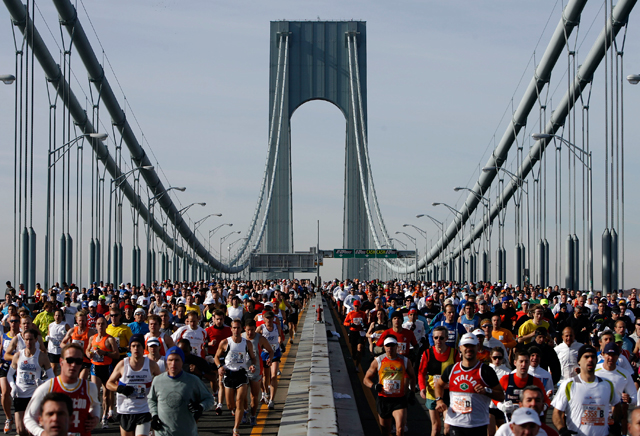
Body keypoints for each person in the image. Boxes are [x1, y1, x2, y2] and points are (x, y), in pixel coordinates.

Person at [434, 333, 504, 436]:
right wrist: (439, 400)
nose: (469, 349)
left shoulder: (486, 371)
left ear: (477, 347)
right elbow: (439, 385)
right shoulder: (451, 369)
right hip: (456, 423)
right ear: (460, 348)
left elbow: (501, 396)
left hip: (478, 424)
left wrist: (487, 391)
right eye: (466, 346)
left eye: (472, 346)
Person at [23, 343, 100, 436]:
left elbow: (95, 405)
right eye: (70, 360)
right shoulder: (48, 387)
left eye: (78, 361)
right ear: (61, 361)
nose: (73, 364)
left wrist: (96, 418)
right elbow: (29, 418)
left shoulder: (90, 387)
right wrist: (42, 433)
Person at [551, 344, 621, 436]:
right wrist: (562, 430)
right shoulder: (569, 385)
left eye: (593, 357)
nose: (590, 360)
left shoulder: (607, 384)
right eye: (586, 357)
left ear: (596, 360)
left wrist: (614, 425)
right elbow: (557, 413)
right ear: (579, 361)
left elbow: (617, 405)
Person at [148, 346, 214, 436]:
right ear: (166, 362)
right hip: (163, 432)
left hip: (186, 432)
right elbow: (151, 400)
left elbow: (209, 399)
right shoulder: (158, 380)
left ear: (182, 362)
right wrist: (154, 416)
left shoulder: (193, 380)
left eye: (177, 360)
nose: (173, 364)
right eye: (170, 360)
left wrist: (200, 407)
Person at [106, 334, 161, 436]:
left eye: (139, 345)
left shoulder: (151, 364)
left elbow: (162, 382)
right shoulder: (123, 364)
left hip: (144, 409)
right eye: (133, 346)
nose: (136, 348)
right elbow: (109, 384)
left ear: (143, 348)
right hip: (126, 410)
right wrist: (120, 388)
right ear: (130, 348)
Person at [363, 336, 417, 436]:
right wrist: (374, 386)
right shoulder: (378, 361)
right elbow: (366, 379)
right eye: (388, 346)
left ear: (397, 346)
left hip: (399, 399)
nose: (390, 348)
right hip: (384, 399)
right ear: (384, 347)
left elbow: (413, 376)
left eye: (392, 345)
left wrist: (412, 392)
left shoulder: (405, 361)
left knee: (400, 429)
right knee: (385, 431)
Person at [215, 319, 257, 436]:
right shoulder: (225, 343)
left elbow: (253, 358)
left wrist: (252, 365)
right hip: (229, 374)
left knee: (239, 401)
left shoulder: (247, 343)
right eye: (234, 328)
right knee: (230, 405)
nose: (236, 330)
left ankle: (236, 429)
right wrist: (219, 367)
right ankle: (238, 410)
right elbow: (216, 357)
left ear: (241, 329)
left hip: (241, 373)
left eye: (238, 328)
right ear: (231, 329)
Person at [8, 329, 53, 436]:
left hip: (34, 396)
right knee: (20, 430)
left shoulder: (42, 356)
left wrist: (42, 382)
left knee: (32, 430)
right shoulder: (18, 356)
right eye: (26, 339)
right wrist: (13, 386)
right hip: (20, 395)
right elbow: (10, 374)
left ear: (36, 340)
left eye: (31, 339)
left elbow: (52, 377)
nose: (28, 342)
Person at [418, 326, 458, 436]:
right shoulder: (427, 353)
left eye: (441, 338)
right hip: (432, 393)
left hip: (449, 394)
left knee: (448, 427)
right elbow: (421, 373)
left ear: (446, 338)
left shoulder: (454, 353)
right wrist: (422, 388)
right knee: (435, 427)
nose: (438, 340)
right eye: (436, 338)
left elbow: (459, 372)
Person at [595, 342, 636, 436]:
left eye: (614, 355)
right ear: (603, 355)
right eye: (609, 354)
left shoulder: (624, 374)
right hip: (595, 418)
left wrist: (629, 399)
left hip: (614, 419)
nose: (611, 358)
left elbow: (635, 398)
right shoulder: (594, 371)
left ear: (618, 356)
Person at [86, 317, 119, 428]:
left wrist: (105, 353)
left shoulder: (110, 339)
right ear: (96, 326)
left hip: (106, 368)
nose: (100, 326)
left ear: (106, 325)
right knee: (95, 393)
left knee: (105, 396)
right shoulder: (92, 338)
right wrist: (88, 354)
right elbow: (87, 349)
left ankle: (104, 416)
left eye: (102, 324)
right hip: (95, 367)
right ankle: (96, 414)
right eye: (98, 324)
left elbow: (117, 354)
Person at [242, 320, 273, 426]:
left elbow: (271, 350)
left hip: (256, 370)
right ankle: (245, 411)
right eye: (248, 330)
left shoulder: (260, 339)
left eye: (252, 330)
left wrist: (270, 358)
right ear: (244, 328)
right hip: (242, 370)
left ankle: (253, 415)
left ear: (255, 329)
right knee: (242, 395)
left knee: (254, 396)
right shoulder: (240, 337)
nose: (250, 333)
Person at [256, 310, 284, 410]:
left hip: (275, 352)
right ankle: (265, 393)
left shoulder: (277, 327)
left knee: (273, 376)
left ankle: (272, 400)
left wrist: (280, 340)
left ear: (273, 318)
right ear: (264, 319)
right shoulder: (261, 328)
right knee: (265, 376)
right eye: (266, 318)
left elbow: (280, 335)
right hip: (264, 353)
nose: (268, 320)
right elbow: (255, 338)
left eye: (270, 318)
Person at [1, 313, 20, 433]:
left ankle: (21, 418)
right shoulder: (4, 336)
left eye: (16, 321)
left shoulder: (22, 336)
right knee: (4, 393)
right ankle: (8, 418)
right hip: (5, 366)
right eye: (11, 321)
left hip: (19, 368)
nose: (13, 323)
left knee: (18, 395)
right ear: (8, 322)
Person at [343, 299, 367, 369]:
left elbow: (366, 322)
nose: (356, 307)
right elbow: (345, 323)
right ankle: (354, 355)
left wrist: (365, 325)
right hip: (353, 332)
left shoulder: (363, 313)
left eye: (358, 306)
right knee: (353, 349)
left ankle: (357, 365)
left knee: (359, 349)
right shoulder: (350, 314)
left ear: (360, 306)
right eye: (355, 306)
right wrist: (350, 324)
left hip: (360, 332)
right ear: (353, 306)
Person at [46, 309, 70, 376]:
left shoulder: (65, 325)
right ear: (54, 316)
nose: (57, 317)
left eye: (59, 315)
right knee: (53, 367)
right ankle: (54, 382)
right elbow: (49, 333)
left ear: (62, 317)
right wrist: (47, 336)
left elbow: (71, 334)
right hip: (52, 349)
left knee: (63, 367)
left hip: (61, 350)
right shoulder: (50, 325)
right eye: (56, 315)